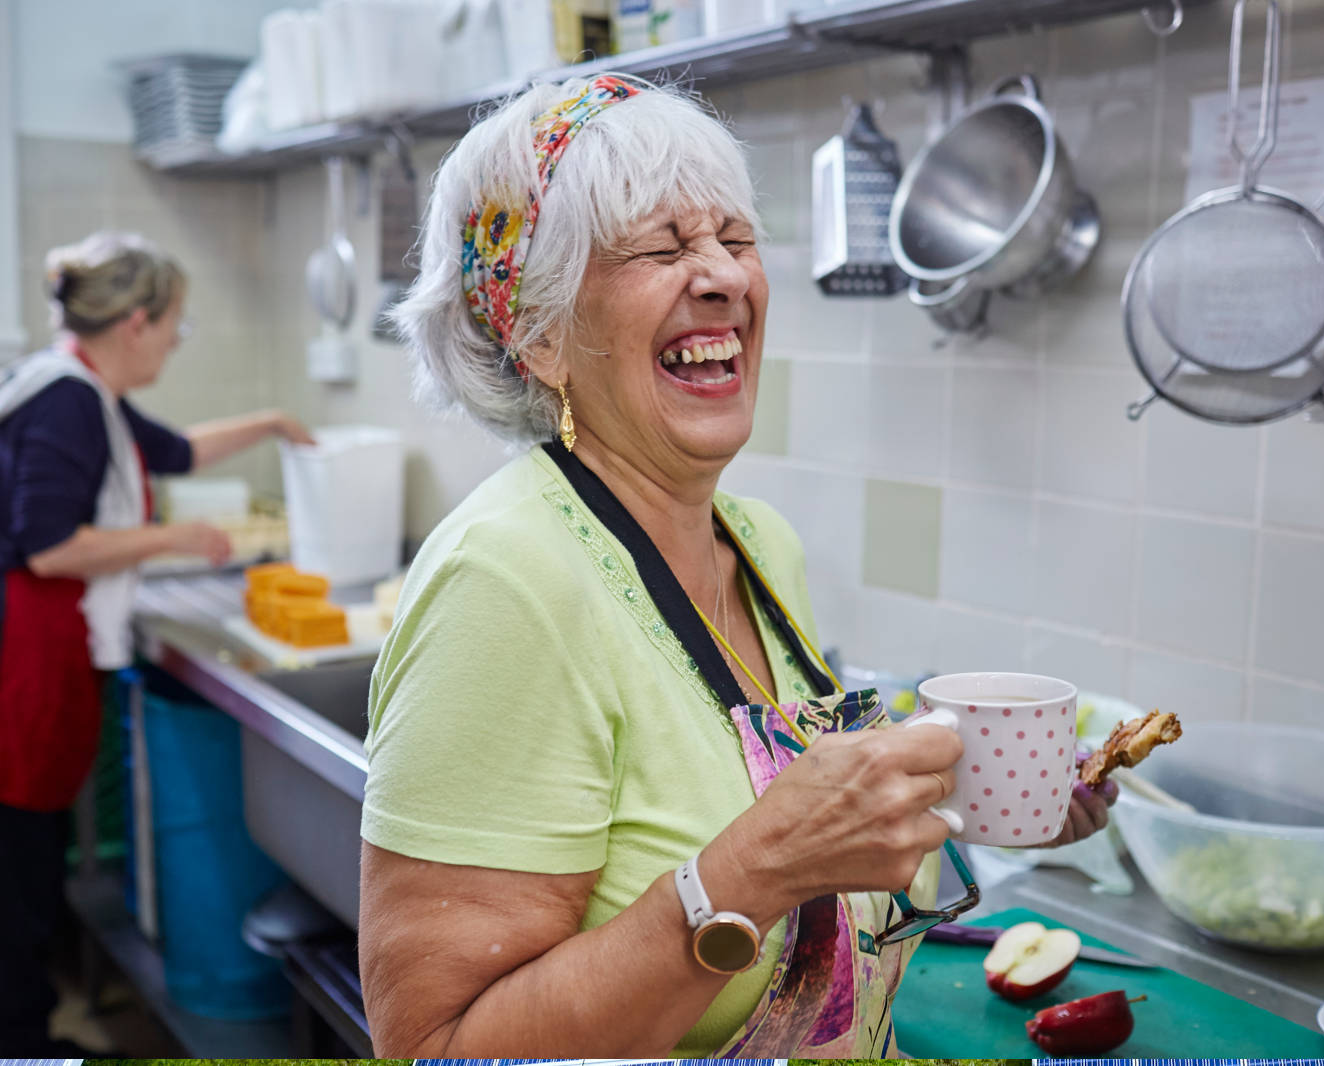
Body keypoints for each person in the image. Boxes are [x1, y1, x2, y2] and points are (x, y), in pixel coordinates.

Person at [361, 74, 1118, 1058]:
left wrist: (978, 796)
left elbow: (802, 847)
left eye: (734, 237)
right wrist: (749, 871)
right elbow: (436, 1043)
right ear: (540, 335)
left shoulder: (759, 544)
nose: (721, 275)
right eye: (662, 248)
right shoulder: (506, 580)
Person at [0, 231, 314, 1056]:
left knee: (29, 859)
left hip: (43, 650)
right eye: (176, 322)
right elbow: (46, 544)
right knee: (18, 869)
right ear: (136, 322)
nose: (177, 339)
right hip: (25, 656)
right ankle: (23, 1043)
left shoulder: (83, 389)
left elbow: (171, 451)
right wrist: (170, 542)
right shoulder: (68, 399)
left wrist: (274, 422)